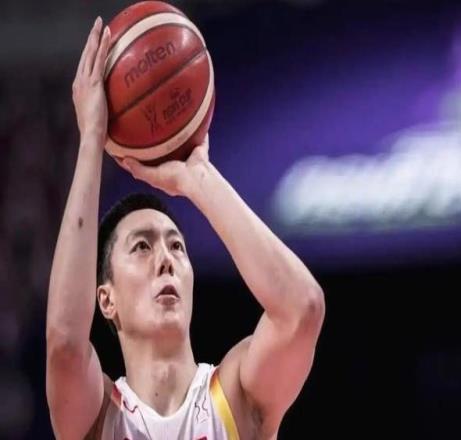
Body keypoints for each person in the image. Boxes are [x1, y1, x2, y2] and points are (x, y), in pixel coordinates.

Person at [46, 17, 325, 440]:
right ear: (106, 299)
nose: (166, 260)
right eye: (142, 247)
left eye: (177, 247)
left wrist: (198, 177)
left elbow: (302, 309)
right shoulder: (99, 418)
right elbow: (65, 344)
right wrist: (92, 138)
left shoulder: (236, 399)